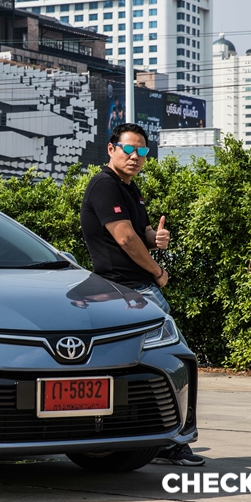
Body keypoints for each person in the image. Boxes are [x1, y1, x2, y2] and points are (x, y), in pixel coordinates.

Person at [79, 122, 205, 467]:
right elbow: (124, 238)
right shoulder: (105, 185)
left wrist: (155, 238)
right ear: (111, 149)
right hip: (129, 289)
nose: (135, 156)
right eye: (129, 149)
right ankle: (174, 440)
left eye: (142, 151)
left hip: (129, 289)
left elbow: (141, 232)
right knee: (175, 362)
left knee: (147, 367)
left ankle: (153, 438)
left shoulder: (129, 188)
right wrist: (158, 272)